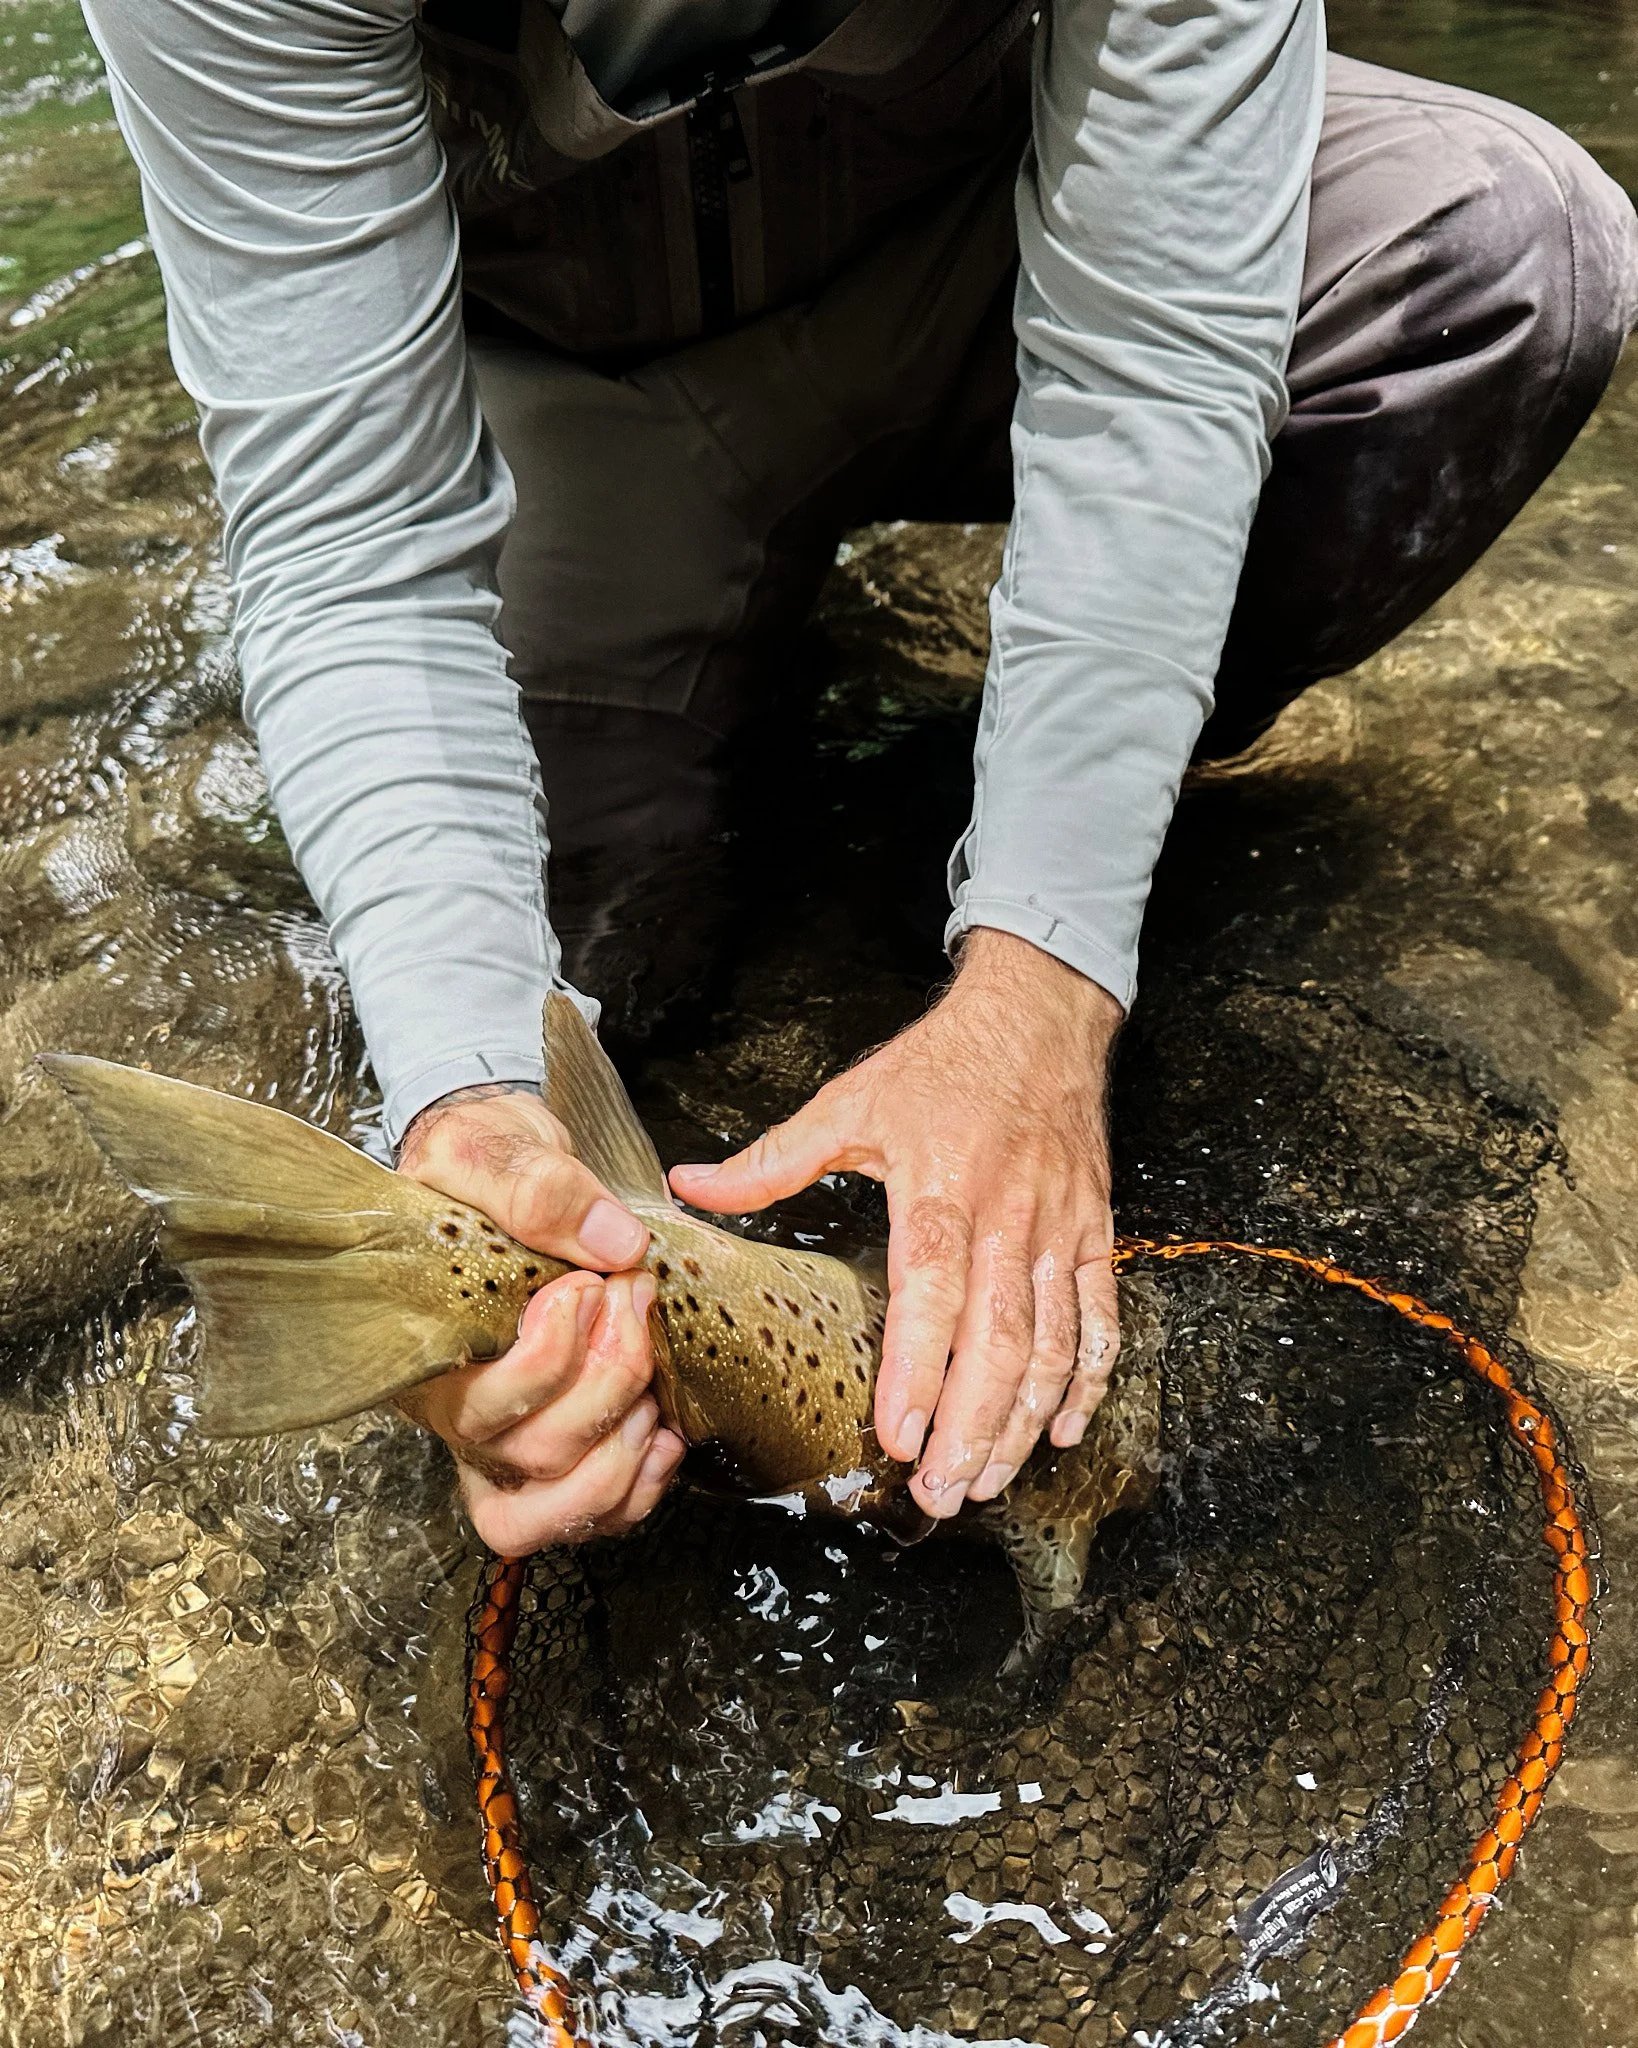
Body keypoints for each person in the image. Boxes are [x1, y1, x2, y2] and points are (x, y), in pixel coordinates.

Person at [85, 0, 1636, 1555]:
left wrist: (1041, 970)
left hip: (976, 250)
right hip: (580, 398)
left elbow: (1156, 365)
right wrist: (469, 1105)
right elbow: (354, 548)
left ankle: (999, 834)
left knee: (1509, 253)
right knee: (578, 971)